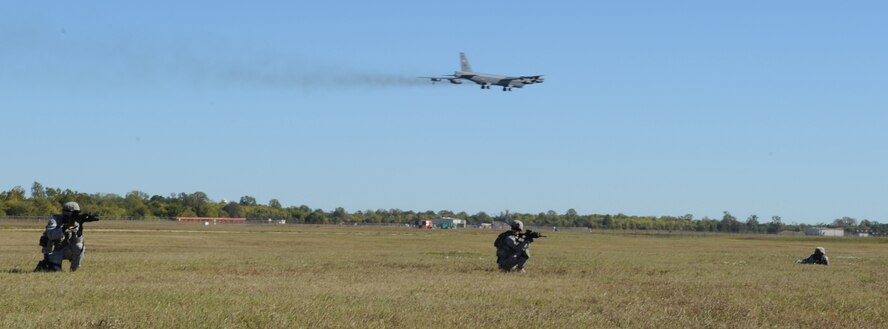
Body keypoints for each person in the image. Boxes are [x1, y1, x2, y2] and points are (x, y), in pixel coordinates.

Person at [35, 202, 99, 272]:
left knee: (79, 246)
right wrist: (63, 229)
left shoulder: (75, 222)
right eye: (75, 214)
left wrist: (80, 226)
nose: (76, 216)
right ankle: (46, 264)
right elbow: (50, 235)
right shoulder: (55, 219)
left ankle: (73, 270)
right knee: (54, 271)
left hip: (67, 249)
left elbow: (77, 242)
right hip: (54, 250)